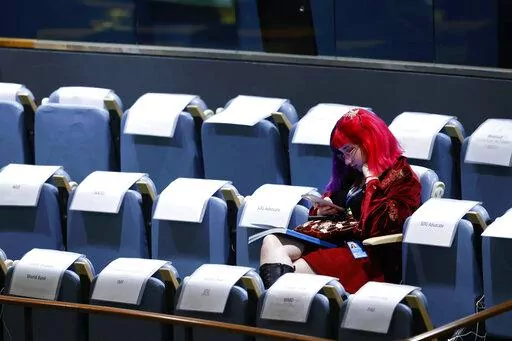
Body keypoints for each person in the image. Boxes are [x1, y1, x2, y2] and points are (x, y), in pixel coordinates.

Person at [258, 107, 421, 293]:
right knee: (271, 242)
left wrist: (372, 181)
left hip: (369, 255)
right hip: (336, 240)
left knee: (296, 272)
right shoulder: (353, 172)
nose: (347, 161)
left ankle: (275, 313)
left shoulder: (402, 176)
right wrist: (321, 211)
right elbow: (335, 200)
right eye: (342, 154)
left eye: (349, 150)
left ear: (370, 141)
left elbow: (380, 226)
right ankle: (274, 310)